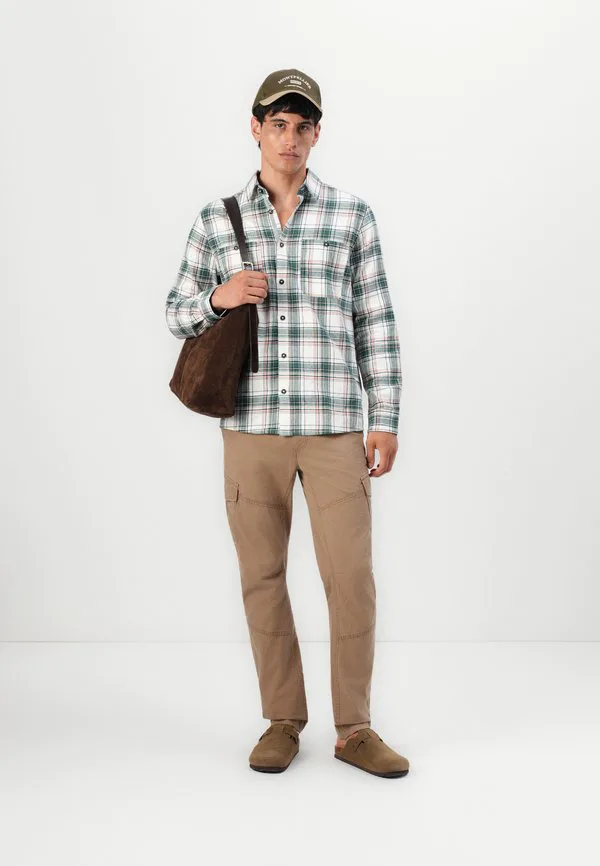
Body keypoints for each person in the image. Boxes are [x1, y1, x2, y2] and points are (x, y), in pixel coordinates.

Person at [165, 68, 409, 779]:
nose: (290, 138)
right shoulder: (216, 220)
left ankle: (355, 728)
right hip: (250, 428)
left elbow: (375, 321)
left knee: (351, 579)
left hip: (334, 426)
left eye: (303, 126)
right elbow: (176, 312)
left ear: (316, 134)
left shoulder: (352, 216)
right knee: (262, 577)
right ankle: (282, 720)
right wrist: (219, 296)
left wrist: (384, 418)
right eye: (278, 124)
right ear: (256, 128)